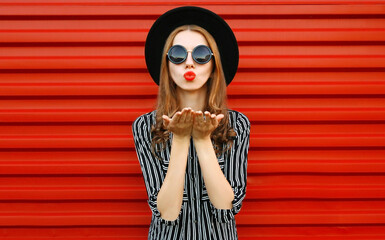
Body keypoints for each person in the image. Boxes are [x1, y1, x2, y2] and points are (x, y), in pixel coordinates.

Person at [132, 6, 250, 240]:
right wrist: (181, 138)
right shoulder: (145, 126)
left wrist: (203, 139)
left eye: (201, 54)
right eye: (177, 54)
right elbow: (165, 212)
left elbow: (228, 206)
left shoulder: (237, 124)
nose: (189, 63)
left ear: (214, 65)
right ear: (167, 65)